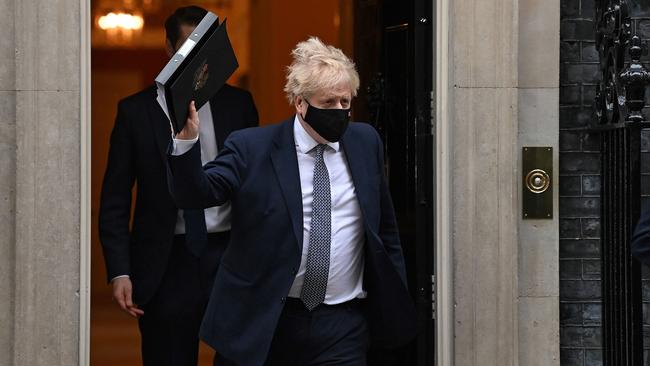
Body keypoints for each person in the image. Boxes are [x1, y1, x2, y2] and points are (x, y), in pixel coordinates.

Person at [168, 37, 416, 366]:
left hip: (342, 325)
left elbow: (384, 228)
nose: (340, 112)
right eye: (328, 103)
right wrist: (187, 145)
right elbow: (197, 193)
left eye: (346, 102)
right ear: (300, 103)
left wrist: (394, 291)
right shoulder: (251, 148)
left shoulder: (365, 141)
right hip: (266, 320)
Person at [98, 5, 258, 366]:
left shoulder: (240, 105)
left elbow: (255, 185)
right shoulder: (135, 112)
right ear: (169, 50)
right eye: (186, 47)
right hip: (165, 261)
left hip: (229, 256)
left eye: (203, 46)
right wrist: (120, 270)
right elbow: (115, 199)